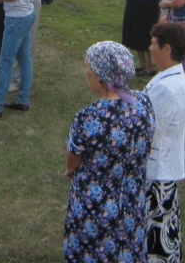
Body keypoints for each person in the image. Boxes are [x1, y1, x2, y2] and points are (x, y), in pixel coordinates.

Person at [63, 41, 155, 262]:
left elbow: (73, 158)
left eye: (88, 67)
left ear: (100, 77)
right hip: (132, 199)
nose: (85, 71)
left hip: (95, 207)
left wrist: (69, 170)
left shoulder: (89, 117)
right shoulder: (143, 103)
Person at [145, 23, 185, 262]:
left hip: (157, 171)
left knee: (156, 233)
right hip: (165, 168)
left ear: (167, 49)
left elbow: (146, 128)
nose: (149, 48)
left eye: (154, 44)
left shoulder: (166, 87)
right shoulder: (175, 78)